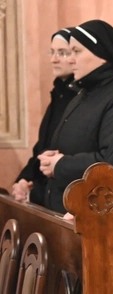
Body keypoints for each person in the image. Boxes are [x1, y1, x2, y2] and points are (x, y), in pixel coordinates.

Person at [38, 19, 113, 213]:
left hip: (88, 215)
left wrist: (61, 164)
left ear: (101, 54)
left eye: (77, 52)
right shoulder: (83, 92)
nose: (71, 59)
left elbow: (111, 159)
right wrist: (53, 156)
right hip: (63, 211)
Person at [11, 28, 78, 204]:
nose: (53, 59)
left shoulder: (79, 97)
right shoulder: (58, 94)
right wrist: (23, 180)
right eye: (52, 52)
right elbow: (42, 147)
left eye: (62, 53)